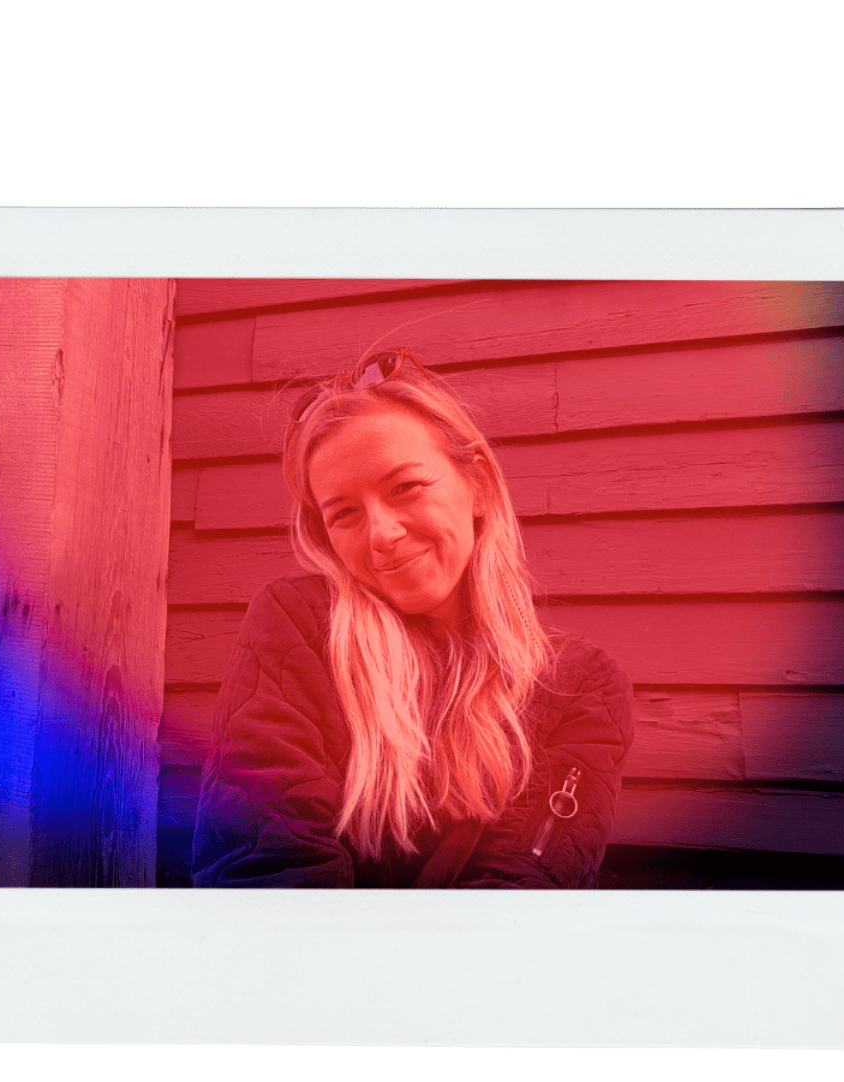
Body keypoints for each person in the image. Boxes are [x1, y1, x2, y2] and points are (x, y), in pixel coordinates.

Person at [191, 349, 633, 887]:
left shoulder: (579, 685)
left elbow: (524, 895)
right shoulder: (300, 627)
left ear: (479, 486)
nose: (380, 532)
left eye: (406, 487)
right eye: (345, 514)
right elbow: (268, 867)